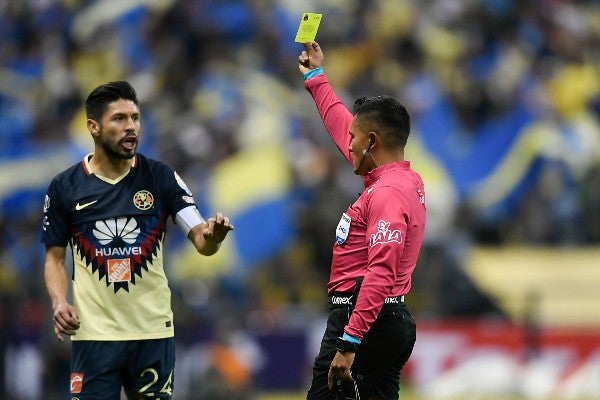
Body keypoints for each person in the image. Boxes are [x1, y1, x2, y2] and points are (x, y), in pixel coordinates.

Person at [41, 81, 234, 400]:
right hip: (94, 336)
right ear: (93, 127)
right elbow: (54, 259)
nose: (131, 126)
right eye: (119, 118)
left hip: (152, 333)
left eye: (135, 117)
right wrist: (59, 301)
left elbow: (201, 239)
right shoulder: (65, 187)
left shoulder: (161, 177)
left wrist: (213, 237)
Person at [298, 42, 426, 400]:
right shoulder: (402, 181)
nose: (348, 144)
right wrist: (316, 77)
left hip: (365, 320)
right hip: (385, 318)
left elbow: (381, 271)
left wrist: (349, 342)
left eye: (355, 138)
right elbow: (343, 127)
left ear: (372, 141)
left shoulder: (387, 194)